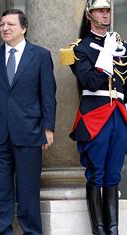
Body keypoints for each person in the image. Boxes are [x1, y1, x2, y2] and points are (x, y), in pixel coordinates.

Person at [0, 9, 56, 235]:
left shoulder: (40, 55)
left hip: (30, 132)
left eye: (10, 24)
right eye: (2, 24)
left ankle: (31, 232)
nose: (4, 28)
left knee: (28, 191)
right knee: (0, 192)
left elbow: (48, 94)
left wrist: (48, 127)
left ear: (24, 28)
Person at [64, 0, 127, 234]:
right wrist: (107, 53)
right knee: (96, 173)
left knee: (114, 174)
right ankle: (99, 230)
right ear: (89, 14)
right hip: (95, 115)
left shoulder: (123, 46)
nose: (105, 14)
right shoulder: (78, 49)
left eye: (107, 10)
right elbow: (89, 81)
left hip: (119, 114)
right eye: (100, 10)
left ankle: (113, 229)